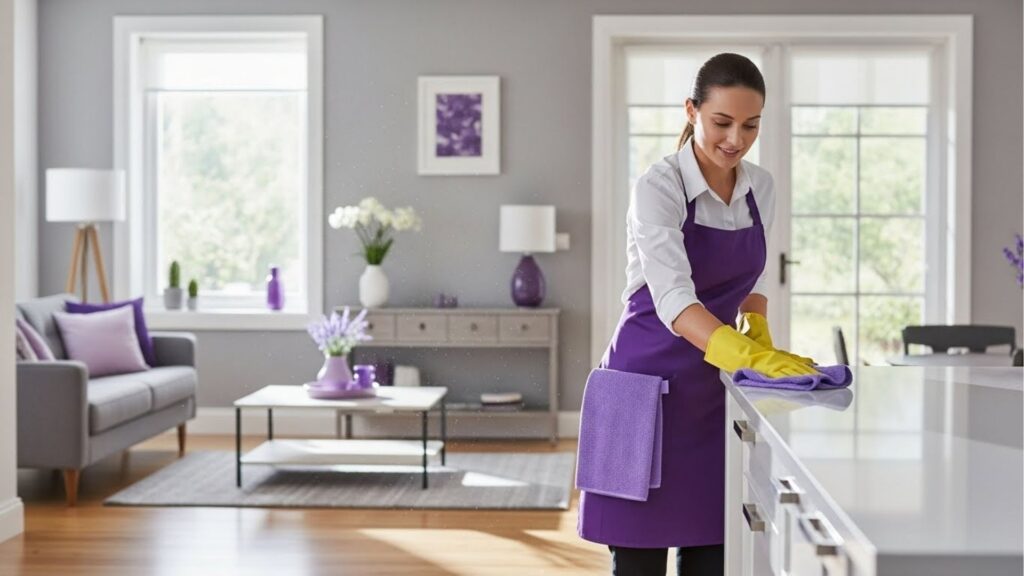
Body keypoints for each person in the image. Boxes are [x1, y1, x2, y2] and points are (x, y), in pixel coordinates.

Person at [578, 53, 819, 576]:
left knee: (713, 555)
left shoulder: (762, 188)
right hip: (642, 390)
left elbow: (750, 281)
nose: (736, 138)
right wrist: (748, 355)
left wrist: (758, 332)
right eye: (722, 122)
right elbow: (673, 301)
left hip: (713, 397)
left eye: (751, 125)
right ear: (691, 112)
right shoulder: (659, 187)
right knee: (637, 562)